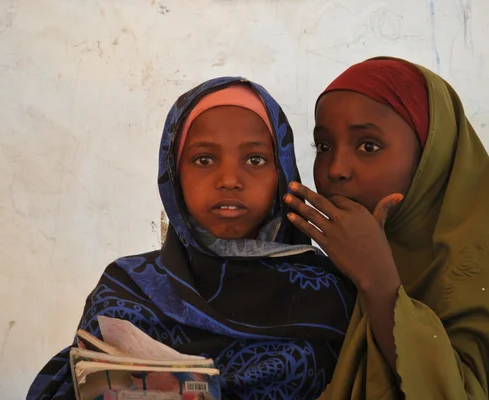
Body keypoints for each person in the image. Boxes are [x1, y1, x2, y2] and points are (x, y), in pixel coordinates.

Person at [27, 78, 356, 400]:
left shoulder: (329, 294)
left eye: (255, 160)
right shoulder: (126, 289)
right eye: (204, 159)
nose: (229, 180)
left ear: (281, 175)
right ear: (174, 173)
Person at [283, 57, 489, 399]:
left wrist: (379, 284)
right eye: (324, 146)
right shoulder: (343, 263)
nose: (336, 169)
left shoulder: (481, 271)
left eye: (368, 146)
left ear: (429, 158)